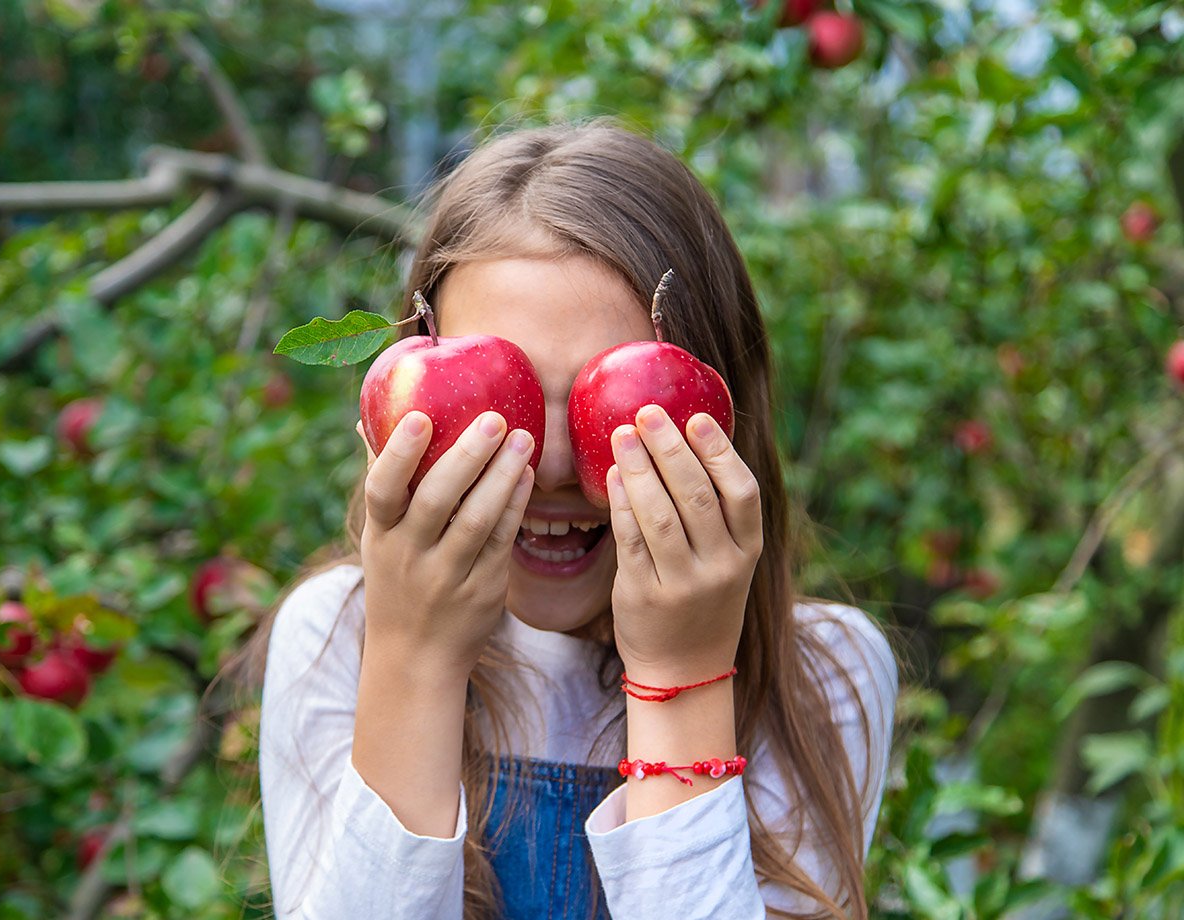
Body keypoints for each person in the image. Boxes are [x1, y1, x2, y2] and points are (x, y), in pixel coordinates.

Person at [252, 121, 899, 920]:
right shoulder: (340, 638)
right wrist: (414, 659)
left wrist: (682, 675)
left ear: (723, 412)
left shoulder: (821, 678)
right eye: (502, 399)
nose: (553, 466)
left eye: (615, 401)